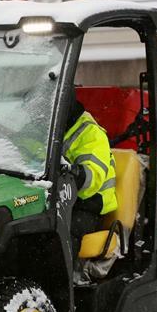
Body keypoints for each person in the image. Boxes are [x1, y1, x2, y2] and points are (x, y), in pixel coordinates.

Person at [64, 99, 118, 258]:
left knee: (58, 234)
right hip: (58, 202)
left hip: (86, 206)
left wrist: (73, 172)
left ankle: (61, 281)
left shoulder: (91, 133)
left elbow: (91, 180)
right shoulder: (48, 129)